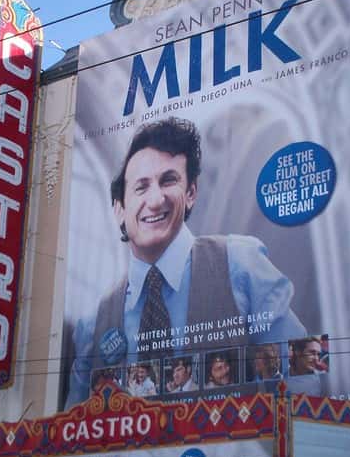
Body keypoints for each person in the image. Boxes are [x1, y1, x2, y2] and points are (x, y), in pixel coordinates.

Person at [65, 117, 306, 407]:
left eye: (169, 180)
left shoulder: (241, 265)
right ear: (119, 209)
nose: (155, 200)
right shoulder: (93, 325)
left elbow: (301, 374)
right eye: (141, 187)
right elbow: (73, 426)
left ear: (191, 193)